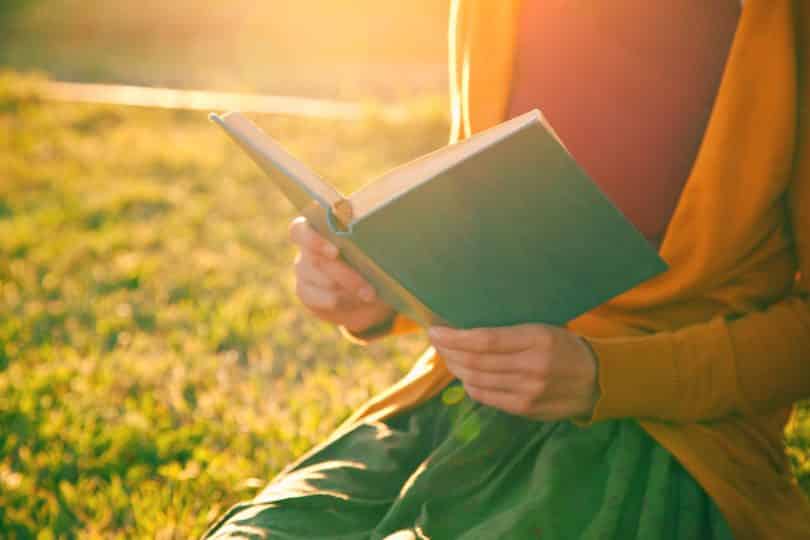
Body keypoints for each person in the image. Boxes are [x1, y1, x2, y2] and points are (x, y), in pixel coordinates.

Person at [204, 1, 810, 538]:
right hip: (458, 405)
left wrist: (605, 376)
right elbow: (485, 226)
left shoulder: (784, 26)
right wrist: (375, 292)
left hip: (669, 440)